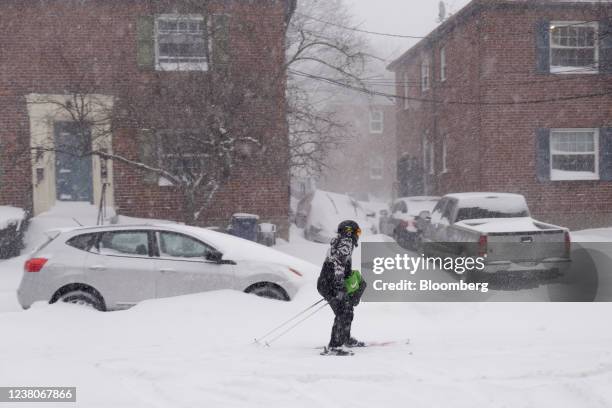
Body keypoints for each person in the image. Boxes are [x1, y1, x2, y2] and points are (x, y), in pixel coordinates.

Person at [317, 220, 367, 355]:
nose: (358, 235)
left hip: (328, 283)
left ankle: (345, 338)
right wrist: (340, 287)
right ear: (349, 232)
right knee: (343, 311)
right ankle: (335, 346)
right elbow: (339, 264)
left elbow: (341, 264)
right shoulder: (346, 242)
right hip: (331, 284)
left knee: (347, 308)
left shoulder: (341, 242)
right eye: (358, 232)